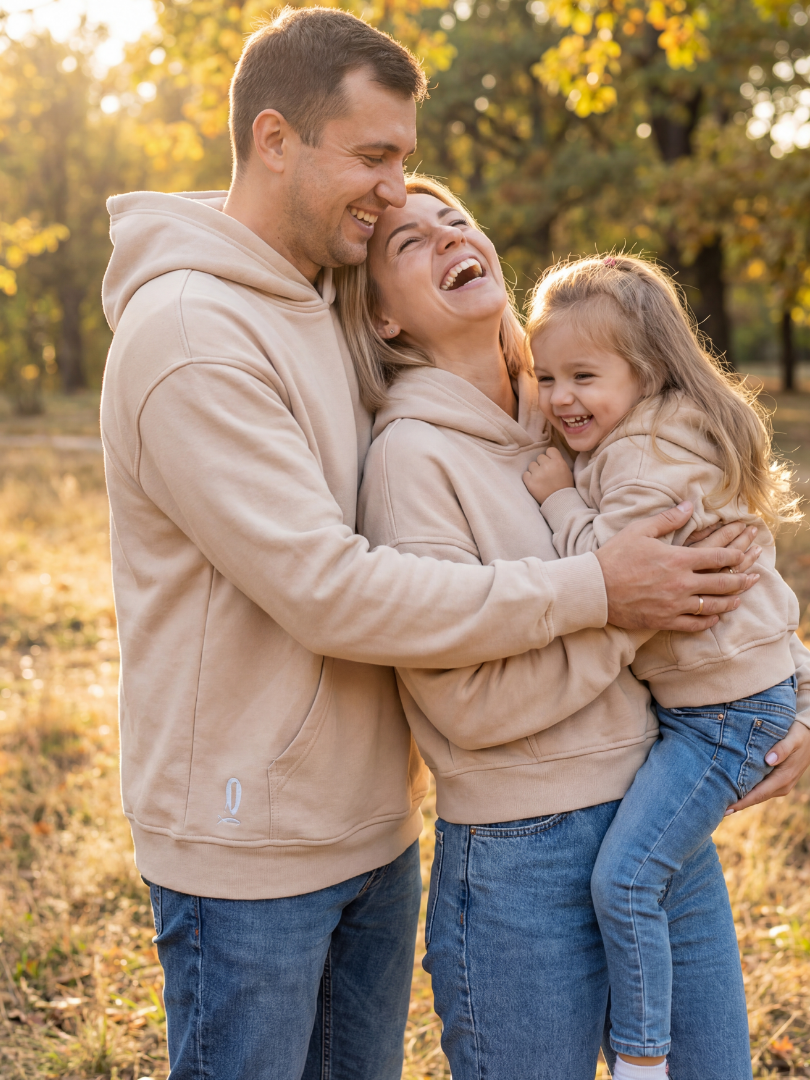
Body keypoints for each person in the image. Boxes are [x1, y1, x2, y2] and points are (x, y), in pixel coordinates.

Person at [100, 9, 772, 1079]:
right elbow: (335, 590)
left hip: (387, 824)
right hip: (260, 841)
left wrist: (769, 694)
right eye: (375, 159)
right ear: (275, 139)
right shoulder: (196, 337)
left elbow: (707, 537)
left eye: (411, 169)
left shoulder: (554, 400)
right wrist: (608, 595)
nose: (395, 192)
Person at [350, 176, 810, 1080]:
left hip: (654, 813)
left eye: (456, 219)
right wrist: (628, 604)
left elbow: (728, 554)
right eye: (409, 242)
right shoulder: (410, 459)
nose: (449, 237)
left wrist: (796, 689)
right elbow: (467, 707)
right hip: (522, 856)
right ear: (382, 319)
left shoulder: (589, 408)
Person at [521, 254, 810, 1080]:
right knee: (644, 874)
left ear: (644, 372)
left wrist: (558, 497)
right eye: (547, 376)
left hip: (723, 717)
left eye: (584, 376)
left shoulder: (647, 460)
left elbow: (615, 570)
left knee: (626, 881)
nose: (561, 397)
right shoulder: (649, 434)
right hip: (720, 702)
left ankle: (644, 1057)